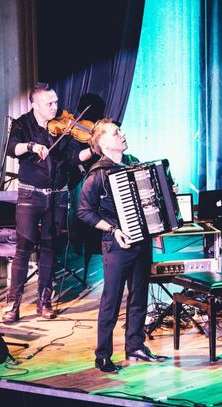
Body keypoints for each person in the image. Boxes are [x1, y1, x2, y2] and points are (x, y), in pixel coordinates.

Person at [77, 118, 168, 372]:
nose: (123, 134)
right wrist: (113, 230)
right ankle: (103, 355)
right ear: (105, 143)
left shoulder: (134, 163)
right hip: (116, 244)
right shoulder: (97, 174)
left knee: (139, 296)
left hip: (141, 241)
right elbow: (84, 211)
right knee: (112, 299)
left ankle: (135, 345)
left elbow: (149, 199)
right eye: (117, 133)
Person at [2, 82, 95, 323]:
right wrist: (32, 146)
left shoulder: (64, 126)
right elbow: (11, 148)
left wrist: (94, 149)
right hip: (30, 195)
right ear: (35, 104)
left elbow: (74, 157)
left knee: (50, 247)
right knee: (23, 247)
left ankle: (44, 300)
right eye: (49, 103)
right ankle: (13, 303)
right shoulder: (22, 124)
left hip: (57, 195)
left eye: (56, 102)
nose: (55, 107)